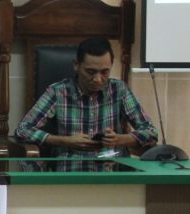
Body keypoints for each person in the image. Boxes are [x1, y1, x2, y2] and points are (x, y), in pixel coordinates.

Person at [14, 37, 157, 158]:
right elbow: (22, 131)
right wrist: (64, 141)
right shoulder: (58, 92)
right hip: (71, 171)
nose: (98, 79)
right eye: (90, 72)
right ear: (76, 65)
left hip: (112, 171)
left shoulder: (119, 89)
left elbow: (151, 132)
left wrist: (120, 139)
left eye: (104, 72)